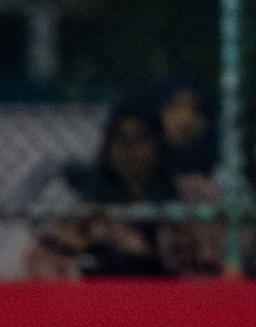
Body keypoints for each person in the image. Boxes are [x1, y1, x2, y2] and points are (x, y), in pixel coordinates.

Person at [27, 102, 204, 278]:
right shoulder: (95, 191)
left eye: (139, 140)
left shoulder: (173, 192)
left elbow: (195, 258)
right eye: (120, 139)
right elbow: (52, 248)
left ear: (156, 143)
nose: (129, 150)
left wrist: (144, 248)